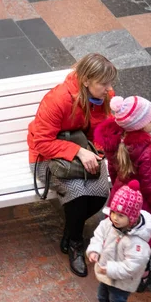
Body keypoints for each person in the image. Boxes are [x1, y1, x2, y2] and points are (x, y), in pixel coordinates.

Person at [28, 54, 117, 277]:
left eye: (110, 82)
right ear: (86, 80)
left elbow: (100, 131)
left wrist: (96, 150)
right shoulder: (58, 99)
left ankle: (70, 230)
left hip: (85, 151)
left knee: (99, 192)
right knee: (77, 192)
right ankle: (76, 242)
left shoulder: (104, 97)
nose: (109, 89)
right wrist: (77, 150)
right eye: (103, 84)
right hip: (48, 155)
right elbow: (42, 142)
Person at [94, 95, 151, 291]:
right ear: (140, 125)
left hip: (122, 193)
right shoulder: (146, 151)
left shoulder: (116, 142)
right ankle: (142, 276)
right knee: (143, 239)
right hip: (142, 203)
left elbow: (112, 169)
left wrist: (117, 191)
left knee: (125, 233)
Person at [86, 180, 151, 302]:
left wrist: (109, 269)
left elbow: (132, 267)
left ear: (131, 218)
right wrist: (94, 250)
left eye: (121, 215)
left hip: (123, 280)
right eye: (114, 212)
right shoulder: (108, 224)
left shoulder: (138, 243)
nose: (115, 218)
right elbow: (98, 237)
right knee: (103, 297)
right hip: (106, 274)